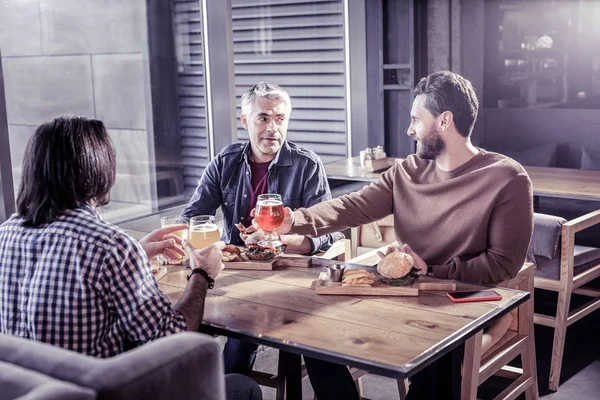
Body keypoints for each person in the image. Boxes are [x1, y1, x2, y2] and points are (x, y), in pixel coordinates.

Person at [270, 71, 534, 399]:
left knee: (437, 353)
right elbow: (351, 207)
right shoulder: (407, 170)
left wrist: (432, 271)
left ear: (444, 121)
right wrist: (292, 220)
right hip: (402, 291)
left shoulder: (507, 178)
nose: (409, 130)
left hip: (461, 300)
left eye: (415, 120)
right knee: (310, 329)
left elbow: (503, 264)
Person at [0, 116, 262, 400]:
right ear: (95, 168)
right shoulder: (109, 246)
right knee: (243, 388)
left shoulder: (5, 234)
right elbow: (174, 340)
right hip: (108, 392)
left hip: (31, 390)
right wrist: (202, 274)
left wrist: (135, 249)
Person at [181, 82, 344, 375]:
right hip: (236, 273)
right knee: (184, 331)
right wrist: (202, 243)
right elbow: (194, 216)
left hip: (294, 275)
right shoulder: (225, 162)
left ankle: (231, 388)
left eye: (280, 119)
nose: (273, 128)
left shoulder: (307, 165)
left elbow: (331, 231)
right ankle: (221, 389)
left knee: (319, 342)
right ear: (245, 121)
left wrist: (284, 240)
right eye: (263, 118)